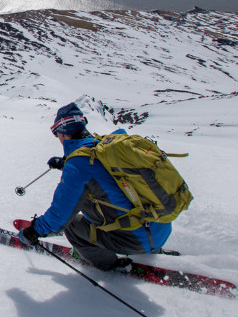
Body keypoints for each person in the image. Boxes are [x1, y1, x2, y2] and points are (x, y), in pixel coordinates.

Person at [18, 102, 172, 271]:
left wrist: (33, 231)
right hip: (160, 228)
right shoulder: (105, 147)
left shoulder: (78, 165)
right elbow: (99, 173)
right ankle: (152, 248)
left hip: (135, 241)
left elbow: (59, 217)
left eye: (57, 135)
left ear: (63, 133)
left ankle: (110, 266)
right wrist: (66, 163)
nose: (58, 139)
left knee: (72, 226)